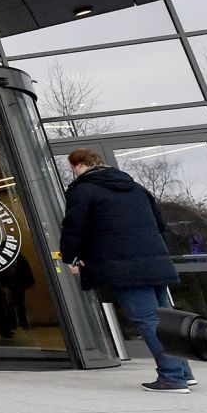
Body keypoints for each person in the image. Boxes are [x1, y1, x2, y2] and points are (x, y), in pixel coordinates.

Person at [59, 148, 195, 394]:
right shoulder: (136, 188)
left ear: (78, 165)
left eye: (72, 168)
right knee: (164, 319)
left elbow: (74, 227)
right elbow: (160, 223)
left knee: (147, 319)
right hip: (154, 261)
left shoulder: (84, 190)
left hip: (122, 265)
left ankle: (172, 377)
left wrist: (71, 256)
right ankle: (184, 372)